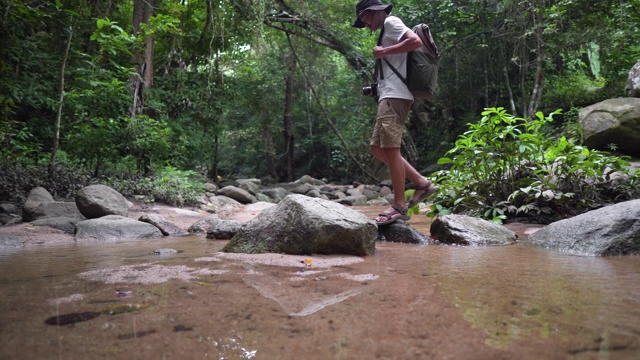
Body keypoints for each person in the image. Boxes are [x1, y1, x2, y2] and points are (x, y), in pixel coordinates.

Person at [353, 0, 437, 225]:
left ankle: (399, 206)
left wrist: (385, 51)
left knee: (390, 148)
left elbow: (415, 41)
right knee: (377, 148)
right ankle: (421, 182)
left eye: (365, 18)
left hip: (395, 96)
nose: (366, 24)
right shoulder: (386, 29)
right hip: (389, 95)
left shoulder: (391, 22)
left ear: (375, 12)